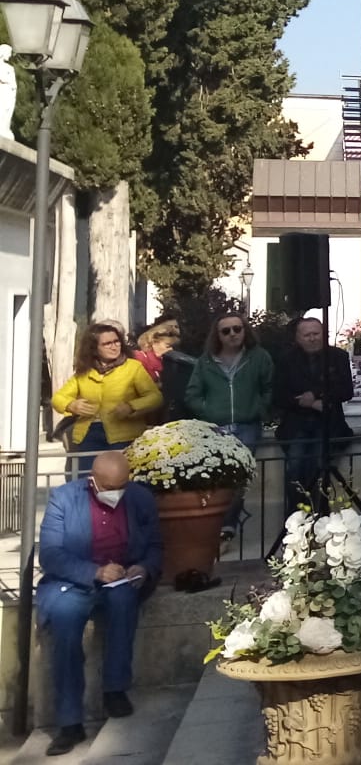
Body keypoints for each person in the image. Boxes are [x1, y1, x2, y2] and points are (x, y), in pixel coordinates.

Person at [36, 451, 160, 757]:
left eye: (123, 485)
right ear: (93, 482)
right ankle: (69, 723)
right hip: (75, 580)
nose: (117, 494)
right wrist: (95, 572)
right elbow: (50, 555)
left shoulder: (140, 499)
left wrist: (144, 568)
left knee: (124, 601)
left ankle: (115, 690)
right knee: (65, 623)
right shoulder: (64, 499)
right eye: (110, 487)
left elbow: (156, 545)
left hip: (120, 578)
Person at [182, 314, 275, 542]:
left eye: (237, 328)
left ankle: (226, 528)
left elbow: (269, 388)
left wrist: (258, 409)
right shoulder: (206, 361)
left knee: (238, 478)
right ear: (218, 335)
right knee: (215, 479)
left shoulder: (259, 357)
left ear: (245, 331)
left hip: (247, 426)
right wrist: (209, 412)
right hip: (215, 428)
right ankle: (213, 526)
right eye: (226, 331)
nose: (233, 334)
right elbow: (192, 395)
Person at [53, 323, 163, 471]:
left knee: (122, 478)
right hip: (88, 433)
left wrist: (131, 406)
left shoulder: (133, 367)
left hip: (124, 435)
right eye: (107, 343)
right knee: (84, 478)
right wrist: (71, 405)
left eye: (116, 341)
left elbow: (155, 397)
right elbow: (58, 398)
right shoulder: (85, 372)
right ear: (94, 348)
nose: (114, 346)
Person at [275, 316, 354, 516]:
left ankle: (321, 519)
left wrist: (319, 397)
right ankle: (295, 522)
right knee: (295, 469)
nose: (312, 338)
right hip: (297, 425)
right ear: (298, 338)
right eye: (307, 335)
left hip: (327, 424)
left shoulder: (338, 357)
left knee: (320, 470)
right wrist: (303, 402)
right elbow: (277, 394)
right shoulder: (285, 359)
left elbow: (346, 390)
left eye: (316, 334)